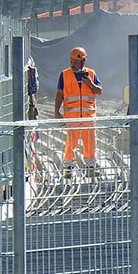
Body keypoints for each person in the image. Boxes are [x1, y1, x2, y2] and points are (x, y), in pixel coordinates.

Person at [54, 46, 103, 177]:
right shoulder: (64, 75)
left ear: (83, 61)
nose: (72, 64)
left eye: (75, 62)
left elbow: (99, 90)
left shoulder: (91, 74)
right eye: (71, 61)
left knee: (90, 142)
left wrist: (90, 83)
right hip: (72, 116)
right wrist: (56, 111)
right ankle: (69, 167)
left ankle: (91, 166)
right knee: (71, 142)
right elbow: (59, 94)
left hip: (88, 116)